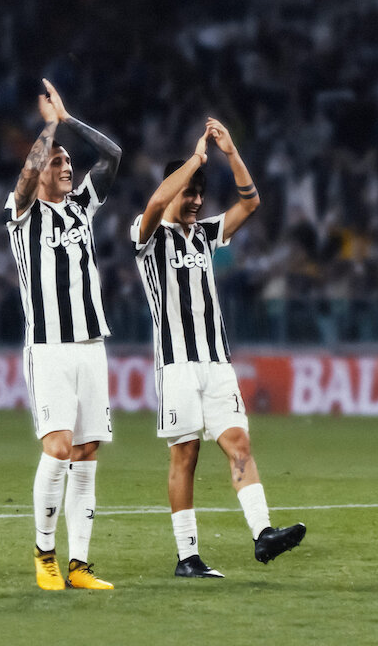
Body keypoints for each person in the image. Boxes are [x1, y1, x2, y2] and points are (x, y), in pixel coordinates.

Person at [130, 117, 306, 578]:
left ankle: (263, 534)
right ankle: (187, 556)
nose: (195, 201)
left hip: (217, 363)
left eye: (200, 193)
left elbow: (251, 203)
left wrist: (230, 152)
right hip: (177, 365)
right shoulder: (147, 236)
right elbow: (155, 202)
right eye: (189, 192)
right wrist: (194, 160)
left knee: (238, 441)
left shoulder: (206, 234)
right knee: (184, 454)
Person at [5, 79, 120, 591]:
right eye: (59, 162)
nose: (67, 167)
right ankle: (44, 553)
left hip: (92, 346)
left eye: (69, 162)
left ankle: (80, 564)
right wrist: (49, 130)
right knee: (57, 447)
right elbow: (28, 174)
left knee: (87, 452)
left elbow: (113, 155)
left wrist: (70, 122)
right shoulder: (23, 214)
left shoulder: (81, 207)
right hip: (49, 348)